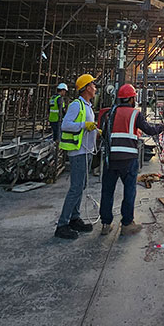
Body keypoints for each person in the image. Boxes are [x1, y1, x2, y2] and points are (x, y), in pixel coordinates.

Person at [98, 83, 164, 236]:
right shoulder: (135, 114)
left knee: (107, 191)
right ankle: (127, 223)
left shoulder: (111, 113)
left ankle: (105, 223)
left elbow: (104, 133)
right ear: (130, 99)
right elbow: (149, 130)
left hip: (111, 159)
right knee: (129, 190)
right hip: (128, 159)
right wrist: (163, 127)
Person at [54, 73, 99, 241]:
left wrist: (94, 129)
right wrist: (84, 125)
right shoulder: (76, 105)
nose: (95, 88)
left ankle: (74, 218)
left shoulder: (87, 106)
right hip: (78, 152)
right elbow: (66, 124)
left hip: (86, 151)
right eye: (93, 85)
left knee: (81, 185)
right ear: (87, 87)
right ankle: (62, 224)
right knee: (76, 188)